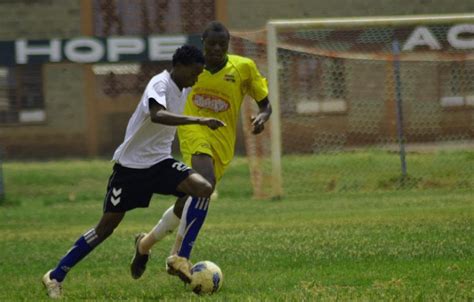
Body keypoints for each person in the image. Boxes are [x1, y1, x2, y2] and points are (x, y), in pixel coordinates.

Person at [41, 45, 225, 299]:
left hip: (160, 163)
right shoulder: (159, 84)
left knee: (203, 188)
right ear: (179, 66)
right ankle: (55, 275)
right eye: (194, 73)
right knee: (106, 228)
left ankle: (181, 256)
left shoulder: (186, 86)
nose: (196, 79)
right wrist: (198, 120)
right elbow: (157, 114)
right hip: (130, 168)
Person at [131, 21, 272, 283]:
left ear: (228, 45)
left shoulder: (243, 68)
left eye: (222, 44)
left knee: (188, 200)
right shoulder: (190, 70)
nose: (217, 49)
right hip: (194, 132)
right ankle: (180, 256)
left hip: (223, 142)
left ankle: (144, 245)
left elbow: (265, 104)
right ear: (203, 44)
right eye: (211, 44)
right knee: (205, 184)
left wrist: (262, 118)